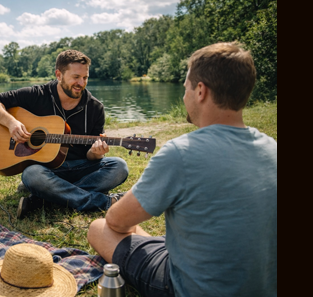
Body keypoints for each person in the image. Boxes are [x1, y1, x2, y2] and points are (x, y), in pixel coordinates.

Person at [86, 42, 277, 297]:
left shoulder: (181, 153)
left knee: (99, 228)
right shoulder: (272, 147)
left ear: (200, 91)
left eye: (185, 87)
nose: (184, 95)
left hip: (189, 288)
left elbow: (116, 221)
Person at [0, 49, 129, 218]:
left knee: (119, 166)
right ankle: (101, 202)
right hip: (46, 170)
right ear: (59, 75)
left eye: (85, 78)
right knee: (31, 174)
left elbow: (91, 157)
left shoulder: (95, 107)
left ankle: (43, 199)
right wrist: (12, 123)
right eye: (76, 77)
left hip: (80, 167)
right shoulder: (37, 95)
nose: (81, 83)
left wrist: (95, 153)